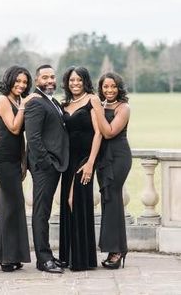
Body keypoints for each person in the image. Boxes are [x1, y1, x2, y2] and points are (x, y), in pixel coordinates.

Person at [0, 65, 39, 272]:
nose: (21, 85)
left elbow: (22, 138)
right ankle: (5, 257)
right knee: (13, 204)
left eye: (25, 82)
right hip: (1, 159)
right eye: (18, 81)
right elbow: (15, 127)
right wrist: (25, 105)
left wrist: (23, 162)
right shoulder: (3, 100)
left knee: (9, 206)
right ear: (9, 80)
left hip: (14, 159)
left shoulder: (18, 101)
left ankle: (7, 255)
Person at [25, 64, 69, 274]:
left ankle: (49, 255)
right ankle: (43, 259)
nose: (50, 80)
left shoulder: (51, 101)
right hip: (44, 167)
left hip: (54, 165)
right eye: (45, 77)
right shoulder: (35, 103)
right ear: (37, 80)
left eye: (52, 76)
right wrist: (47, 163)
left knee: (46, 211)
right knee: (41, 212)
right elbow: (33, 138)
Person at [59, 66, 102, 271]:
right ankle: (69, 257)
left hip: (85, 159)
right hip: (68, 160)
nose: (75, 83)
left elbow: (99, 133)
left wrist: (90, 163)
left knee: (74, 201)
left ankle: (83, 259)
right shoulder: (64, 103)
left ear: (85, 81)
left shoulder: (92, 100)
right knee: (67, 205)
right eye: (71, 80)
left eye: (79, 80)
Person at [90, 71, 132, 269]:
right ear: (101, 88)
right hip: (102, 159)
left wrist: (96, 107)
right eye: (105, 87)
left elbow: (108, 132)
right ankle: (112, 247)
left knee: (114, 199)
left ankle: (117, 249)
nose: (109, 90)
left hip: (118, 157)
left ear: (119, 88)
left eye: (113, 86)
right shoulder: (102, 105)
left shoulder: (124, 108)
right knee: (107, 200)